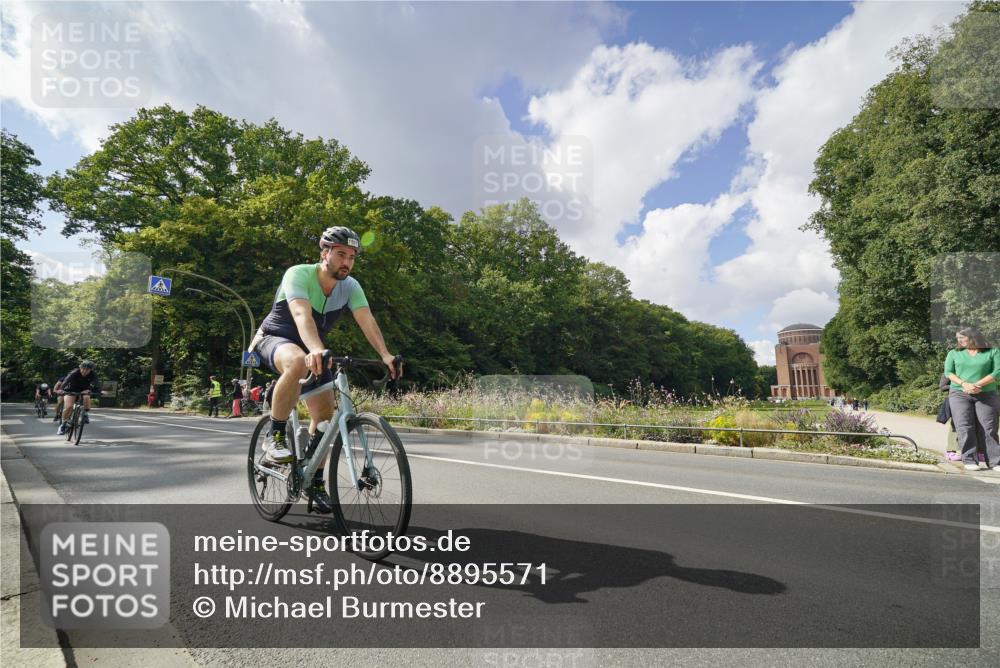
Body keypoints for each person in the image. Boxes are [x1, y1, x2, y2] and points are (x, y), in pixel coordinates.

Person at [249, 226, 401, 513]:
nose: (347, 262)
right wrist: (316, 349)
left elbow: (367, 320)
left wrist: (385, 354)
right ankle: (275, 435)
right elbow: (300, 314)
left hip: (313, 348)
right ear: (324, 253)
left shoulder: (350, 286)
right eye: (341, 254)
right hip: (275, 338)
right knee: (297, 361)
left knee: (325, 418)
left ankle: (314, 480)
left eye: (352, 257)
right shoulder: (298, 274)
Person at [945, 327, 1000, 471]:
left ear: (973, 337)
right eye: (958, 338)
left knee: (989, 428)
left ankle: (995, 462)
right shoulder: (954, 353)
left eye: (962, 337)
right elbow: (948, 372)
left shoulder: (992, 352)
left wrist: (977, 385)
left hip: (986, 394)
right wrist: (964, 384)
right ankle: (969, 459)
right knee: (964, 426)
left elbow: (997, 371)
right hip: (959, 393)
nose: (959, 340)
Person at [56, 360, 101, 435]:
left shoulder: (93, 374)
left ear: (90, 370)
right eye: (83, 368)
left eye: (87, 369)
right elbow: (66, 381)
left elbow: (98, 385)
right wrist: (61, 389)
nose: (85, 371)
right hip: (71, 390)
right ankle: (63, 425)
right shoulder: (74, 372)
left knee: (86, 397)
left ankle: (85, 414)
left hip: (84, 390)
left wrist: (91, 390)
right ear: (80, 368)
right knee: (69, 406)